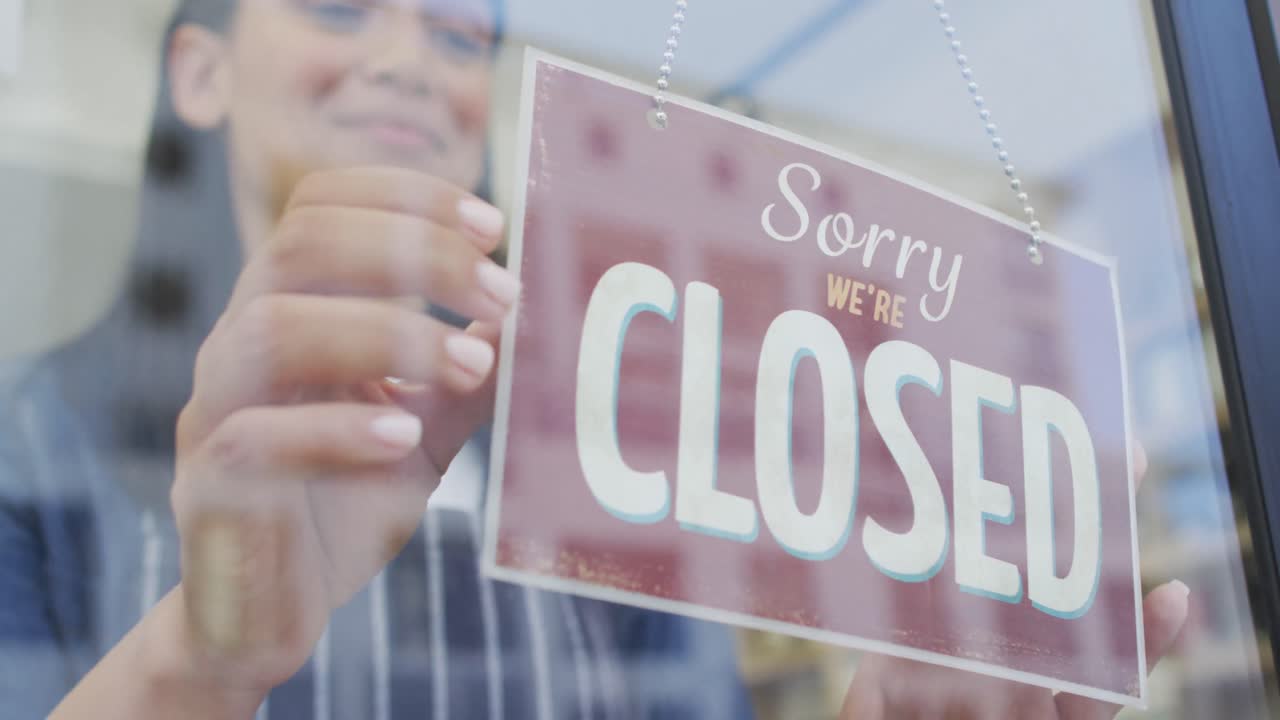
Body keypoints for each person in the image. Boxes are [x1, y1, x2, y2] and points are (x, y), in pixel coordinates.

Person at [0, 0, 1186, 718]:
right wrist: (203, 661)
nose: (412, 59)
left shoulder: (600, 435)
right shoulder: (42, 435)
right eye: (340, 10)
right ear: (200, 72)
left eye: (463, 33)